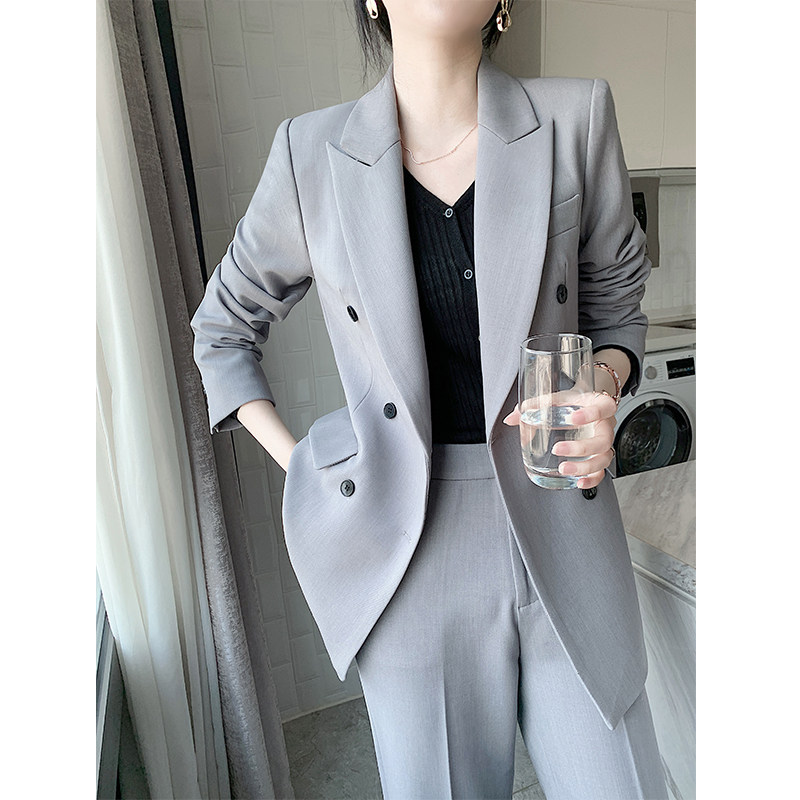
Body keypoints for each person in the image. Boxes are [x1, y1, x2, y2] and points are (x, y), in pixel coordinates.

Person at [191, 1, 669, 798]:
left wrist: (606, 384)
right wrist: (309, 466)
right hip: (408, 545)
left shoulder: (576, 117)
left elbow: (617, 305)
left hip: (563, 510)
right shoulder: (310, 154)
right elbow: (222, 328)